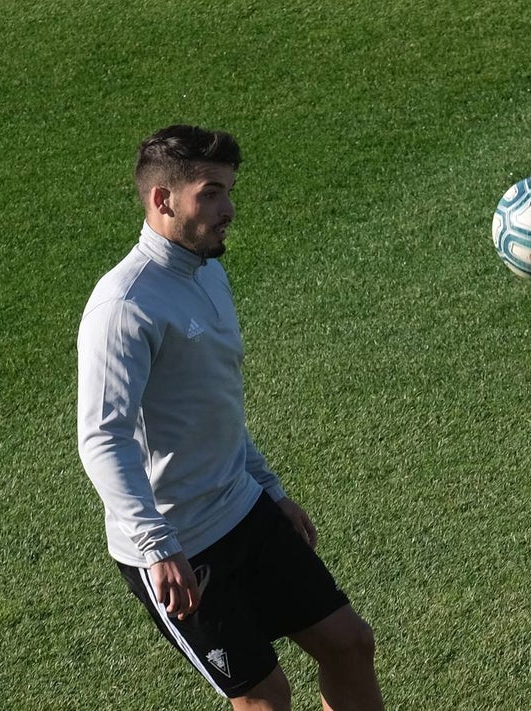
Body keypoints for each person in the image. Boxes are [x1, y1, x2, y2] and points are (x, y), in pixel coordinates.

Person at [77, 125, 385, 711]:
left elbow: (214, 403)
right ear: (163, 200)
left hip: (242, 510)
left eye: (229, 191)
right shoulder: (125, 307)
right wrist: (156, 544)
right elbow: (102, 437)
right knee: (265, 698)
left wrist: (267, 489)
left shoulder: (207, 272)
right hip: (180, 544)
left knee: (350, 644)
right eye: (211, 193)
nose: (229, 209)